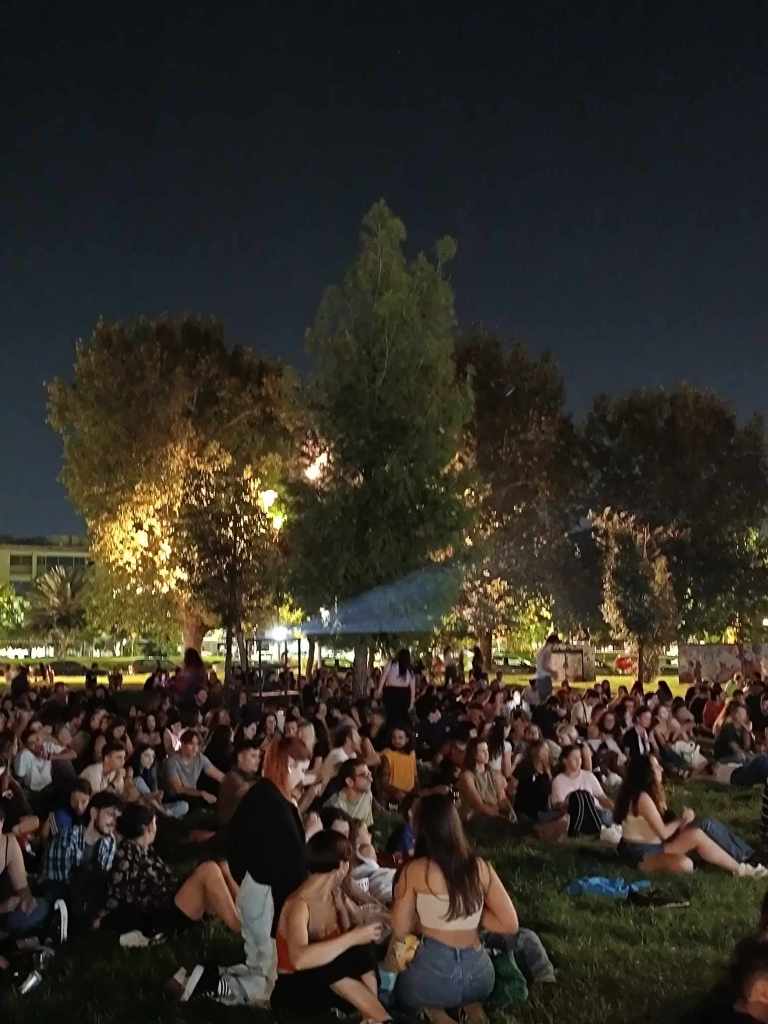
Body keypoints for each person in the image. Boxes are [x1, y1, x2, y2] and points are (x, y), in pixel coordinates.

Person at [182, 736, 313, 1004]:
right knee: (267, 983)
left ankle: (204, 976)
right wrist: (310, 832)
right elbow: (293, 860)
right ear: (289, 764)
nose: (303, 777)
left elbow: (237, 845)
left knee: (259, 961)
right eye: (301, 770)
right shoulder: (275, 804)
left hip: (255, 889)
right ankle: (211, 984)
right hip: (267, 897)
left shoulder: (262, 793)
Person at [392, 793, 519, 1024]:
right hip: (480, 978)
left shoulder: (414, 871)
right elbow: (509, 923)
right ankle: (470, 1006)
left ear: (422, 827)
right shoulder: (480, 867)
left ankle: (436, 1013)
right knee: (464, 989)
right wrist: (466, 914)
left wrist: (434, 919)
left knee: (402, 986)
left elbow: (400, 931)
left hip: (433, 976)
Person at [270, 830, 388, 1020]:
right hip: (296, 990)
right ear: (343, 866)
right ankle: (379, 1017)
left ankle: (371, 1015)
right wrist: (353, 937)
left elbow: (353, 949)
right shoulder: (298, 904)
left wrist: (350, 919)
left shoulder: (335, 895)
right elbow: (299, 959)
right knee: (330, 961)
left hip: (332, 986)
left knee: (360, 949)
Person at [102, 803, 240, 939]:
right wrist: (101, 916)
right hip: (163, 913)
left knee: (222, 865)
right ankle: (240, 927)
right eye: (154, 823)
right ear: (147, 828)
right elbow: (116, 890)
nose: (156, 828)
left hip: (172, 897)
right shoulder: (126, 853)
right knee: (209, 869)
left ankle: (248, 913)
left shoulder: (145, 848)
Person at [614, 754, 766, 877]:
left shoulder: (647, 793)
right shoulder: (642, 798)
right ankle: (744, 860)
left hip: (656, 846)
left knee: (700, 830)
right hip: (642, 853)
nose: (661, 768)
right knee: (686, 865)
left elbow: (664, 825)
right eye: (656, 766)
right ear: (646, 772)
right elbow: (664, 833)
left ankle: (742, 868)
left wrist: (681, 821)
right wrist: (683, 819)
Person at [0, 803, 49, 935]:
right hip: (3, 908)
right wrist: (2, 908)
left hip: (6, 911)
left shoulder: (9, 843)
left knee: (42, 907)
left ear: (2, 822)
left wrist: (26, 900)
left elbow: (22, 887)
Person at [164, 729, 224, 809]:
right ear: (182, 744)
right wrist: (201, 793)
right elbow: (178, 789)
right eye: (191, 744)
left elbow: (219, 775)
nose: (195, 748)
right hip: (175, 798)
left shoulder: (200, 758)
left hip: (192, 795)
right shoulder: (172, 761)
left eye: (197, 744)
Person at [217, 740, 261, 826]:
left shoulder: (250, 778)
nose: (258, 760)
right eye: (253, 756)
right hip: (230, 828)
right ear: (240, 757)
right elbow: (245, 791)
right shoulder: (232, 777)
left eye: (259, 757)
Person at [324, 760, 374, 826]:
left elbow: (366, 826)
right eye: (364, 775)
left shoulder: (367, 795)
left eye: (369, 773)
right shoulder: (335, 805)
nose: (371, 779)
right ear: (349, 781)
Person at [379, 726, 417, 806]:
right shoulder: (388, 754)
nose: (397, 741)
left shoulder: (412, 753)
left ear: (407, 739)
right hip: (392, 794)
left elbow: (415, 774)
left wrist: (415, 791)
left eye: (400, 738)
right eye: (394, 737)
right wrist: (396, 792)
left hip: (409, 793)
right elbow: (384, 780)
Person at [377, 649, 415, 726]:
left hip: (391, 693)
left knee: (391, 717)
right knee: (402, 718)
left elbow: (383, 677)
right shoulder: (409, 669)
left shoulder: (391, 664)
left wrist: (379, 690)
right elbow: (412, 688)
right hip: (403, 694)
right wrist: (411, 702)